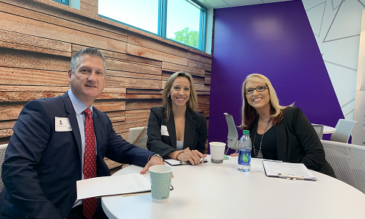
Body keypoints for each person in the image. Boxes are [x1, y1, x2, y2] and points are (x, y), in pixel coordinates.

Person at [0, 48, 164, 219]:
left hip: (92, 208)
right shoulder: (42, 111)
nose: (92, 78)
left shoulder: (101, 119)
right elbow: (16, 170)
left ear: (104, 80)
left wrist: (151, 156)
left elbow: (122, 149)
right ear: (70, 75)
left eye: (98, 73)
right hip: (46, 210)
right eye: (85, 70)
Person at [240, 73, 335, 177]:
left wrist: (292, 174)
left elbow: (316, 153)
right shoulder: (252, 124)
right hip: (278, 180)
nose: (255, 93)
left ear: (269, 91)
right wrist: (243, 157)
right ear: (245, 96)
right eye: (249, 90)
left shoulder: (293, 115)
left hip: (312, 179)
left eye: (260, 88)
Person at [147, 71, 207, 165]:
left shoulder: (200, 120)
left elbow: (200, 150)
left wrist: (195, 155)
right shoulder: (157, 113)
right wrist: (178, 154)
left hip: (190, 169)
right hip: (163, 168)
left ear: (190, 93)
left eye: (186, 89)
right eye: (176, 88)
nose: (181, 93)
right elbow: (152, 142)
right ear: (168, 91)